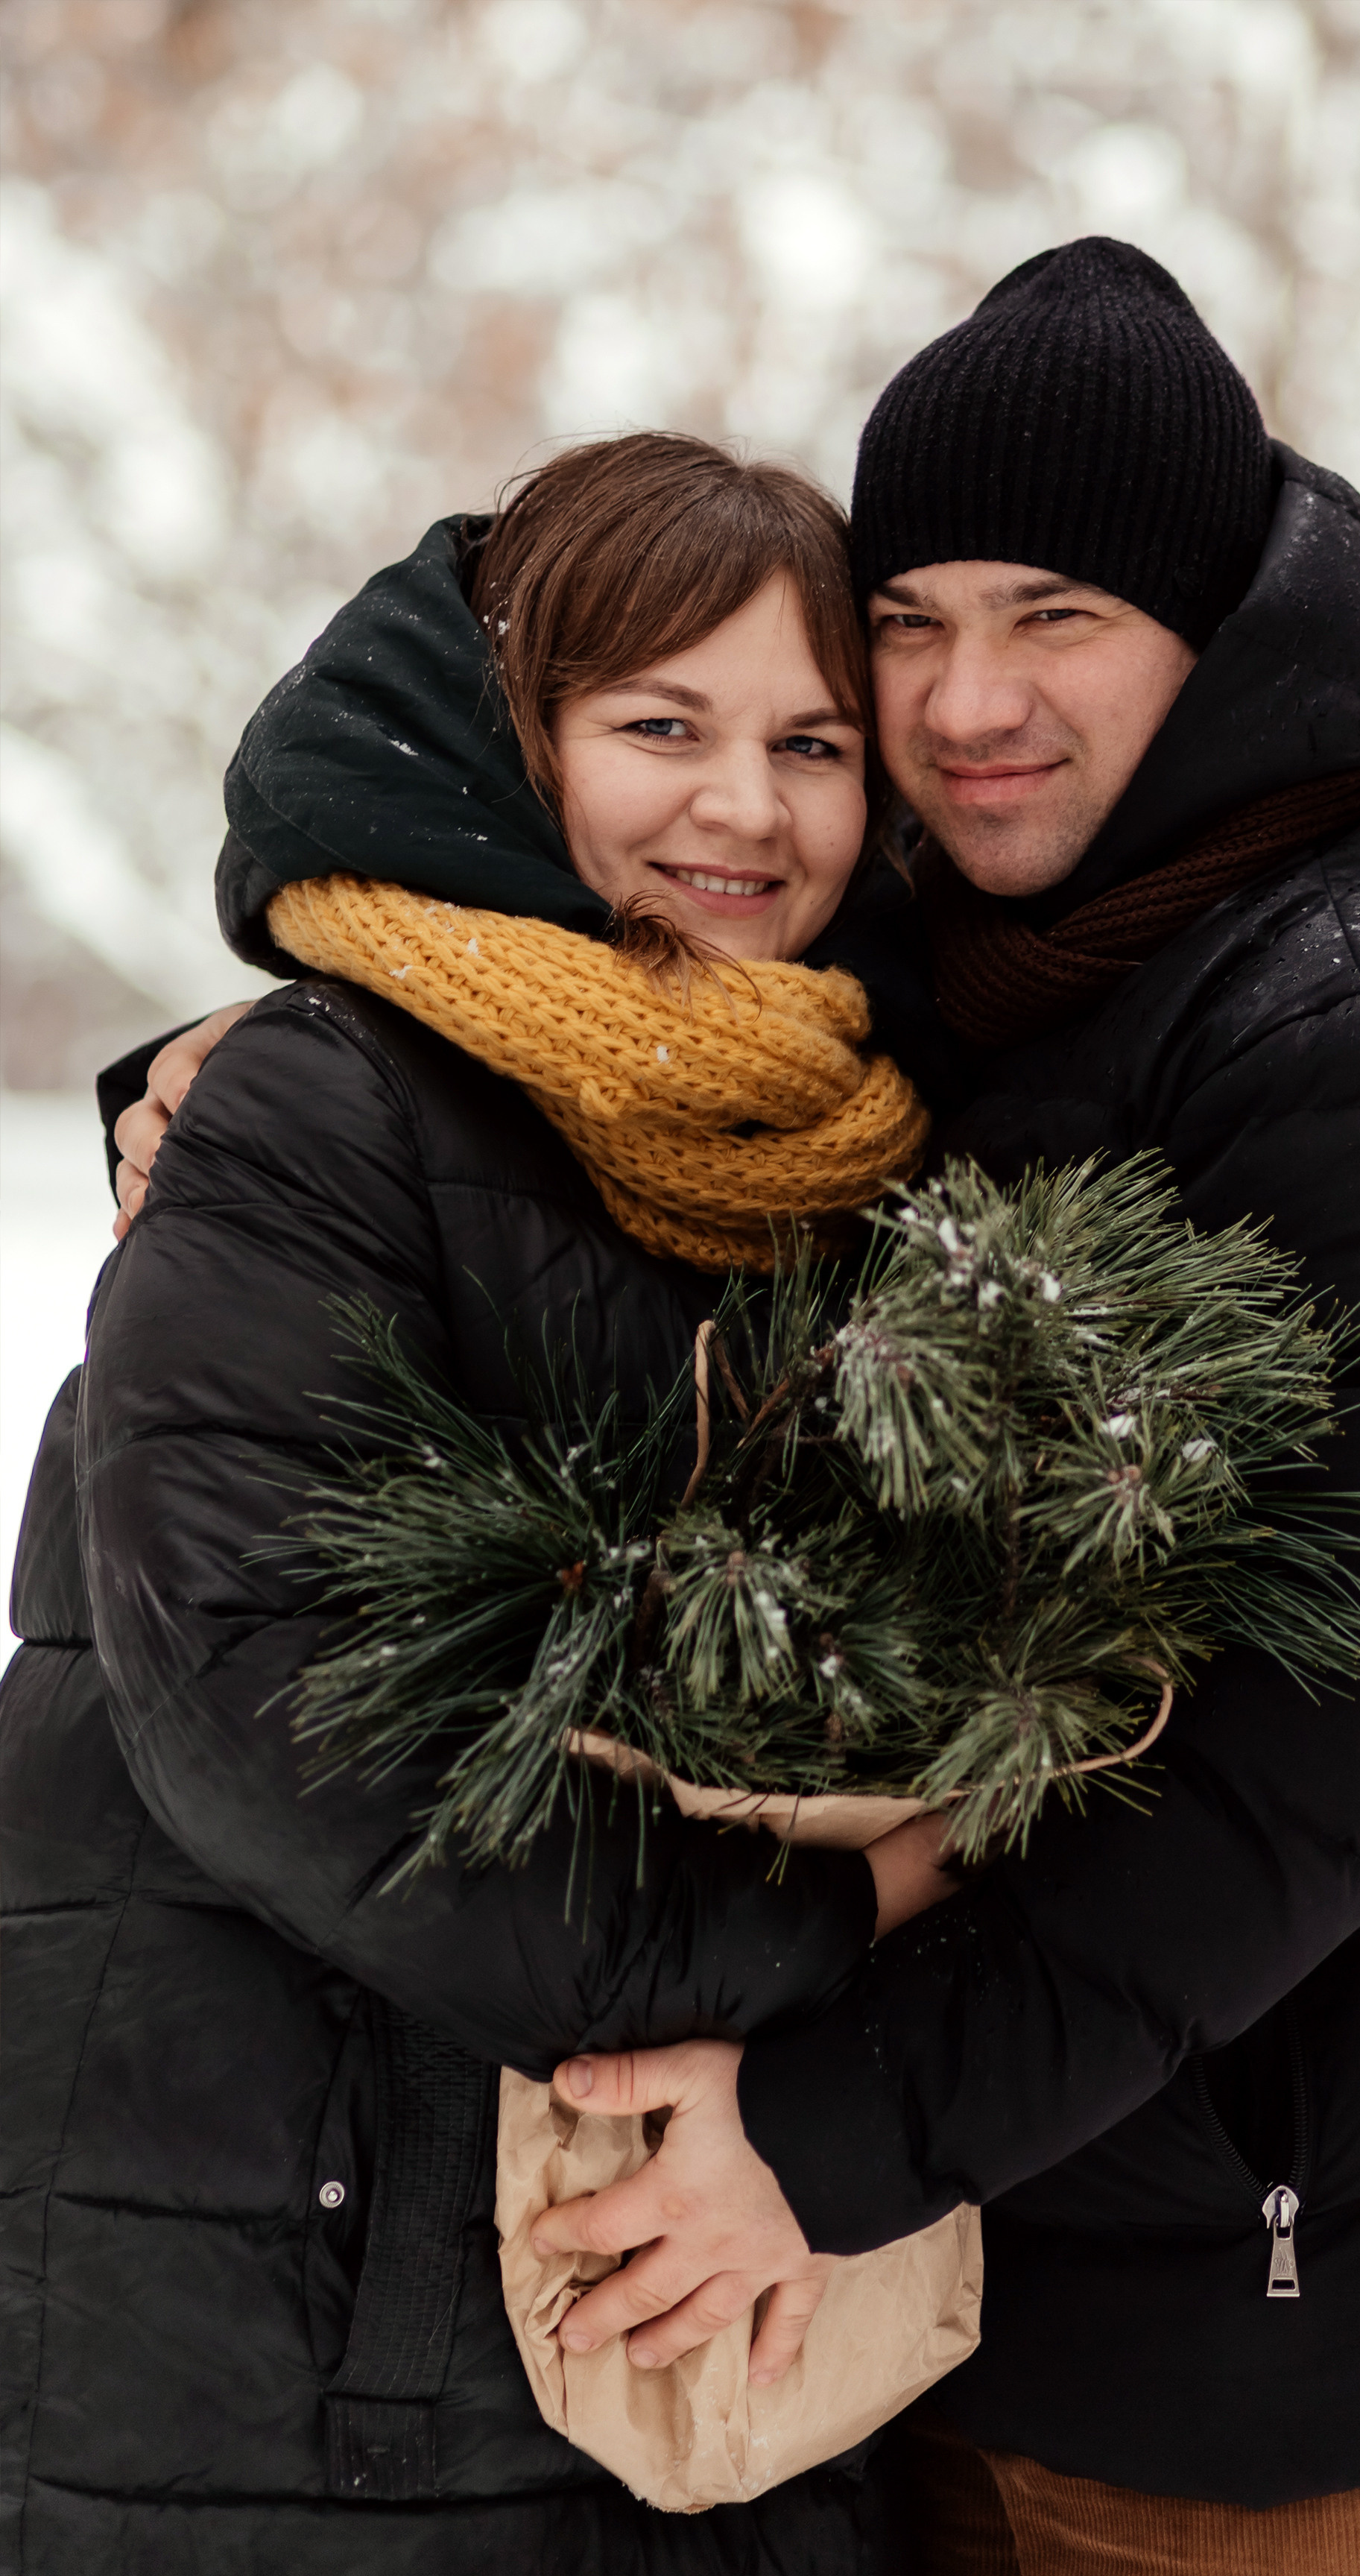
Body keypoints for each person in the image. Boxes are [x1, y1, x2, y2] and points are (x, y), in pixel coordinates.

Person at [90, 241, 1360, 2573]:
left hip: (1337, 2327)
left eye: (1052, 615)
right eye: (914, 624)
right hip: (988, 2274)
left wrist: (834, 2125)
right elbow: (593, 1033)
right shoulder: (993, 956)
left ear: (1215, 629)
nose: (963, 703)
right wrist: (262, 1069)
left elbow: (1334, 1730)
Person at [0, 432, 958, 2576]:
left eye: (812, 741)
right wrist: (828, 1937)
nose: (748, 807)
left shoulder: (852, 1154)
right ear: (511, 738)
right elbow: (281, 1715)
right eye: (661, 726)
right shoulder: (314, 1105)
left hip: (663, 2311)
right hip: (274, 2308)